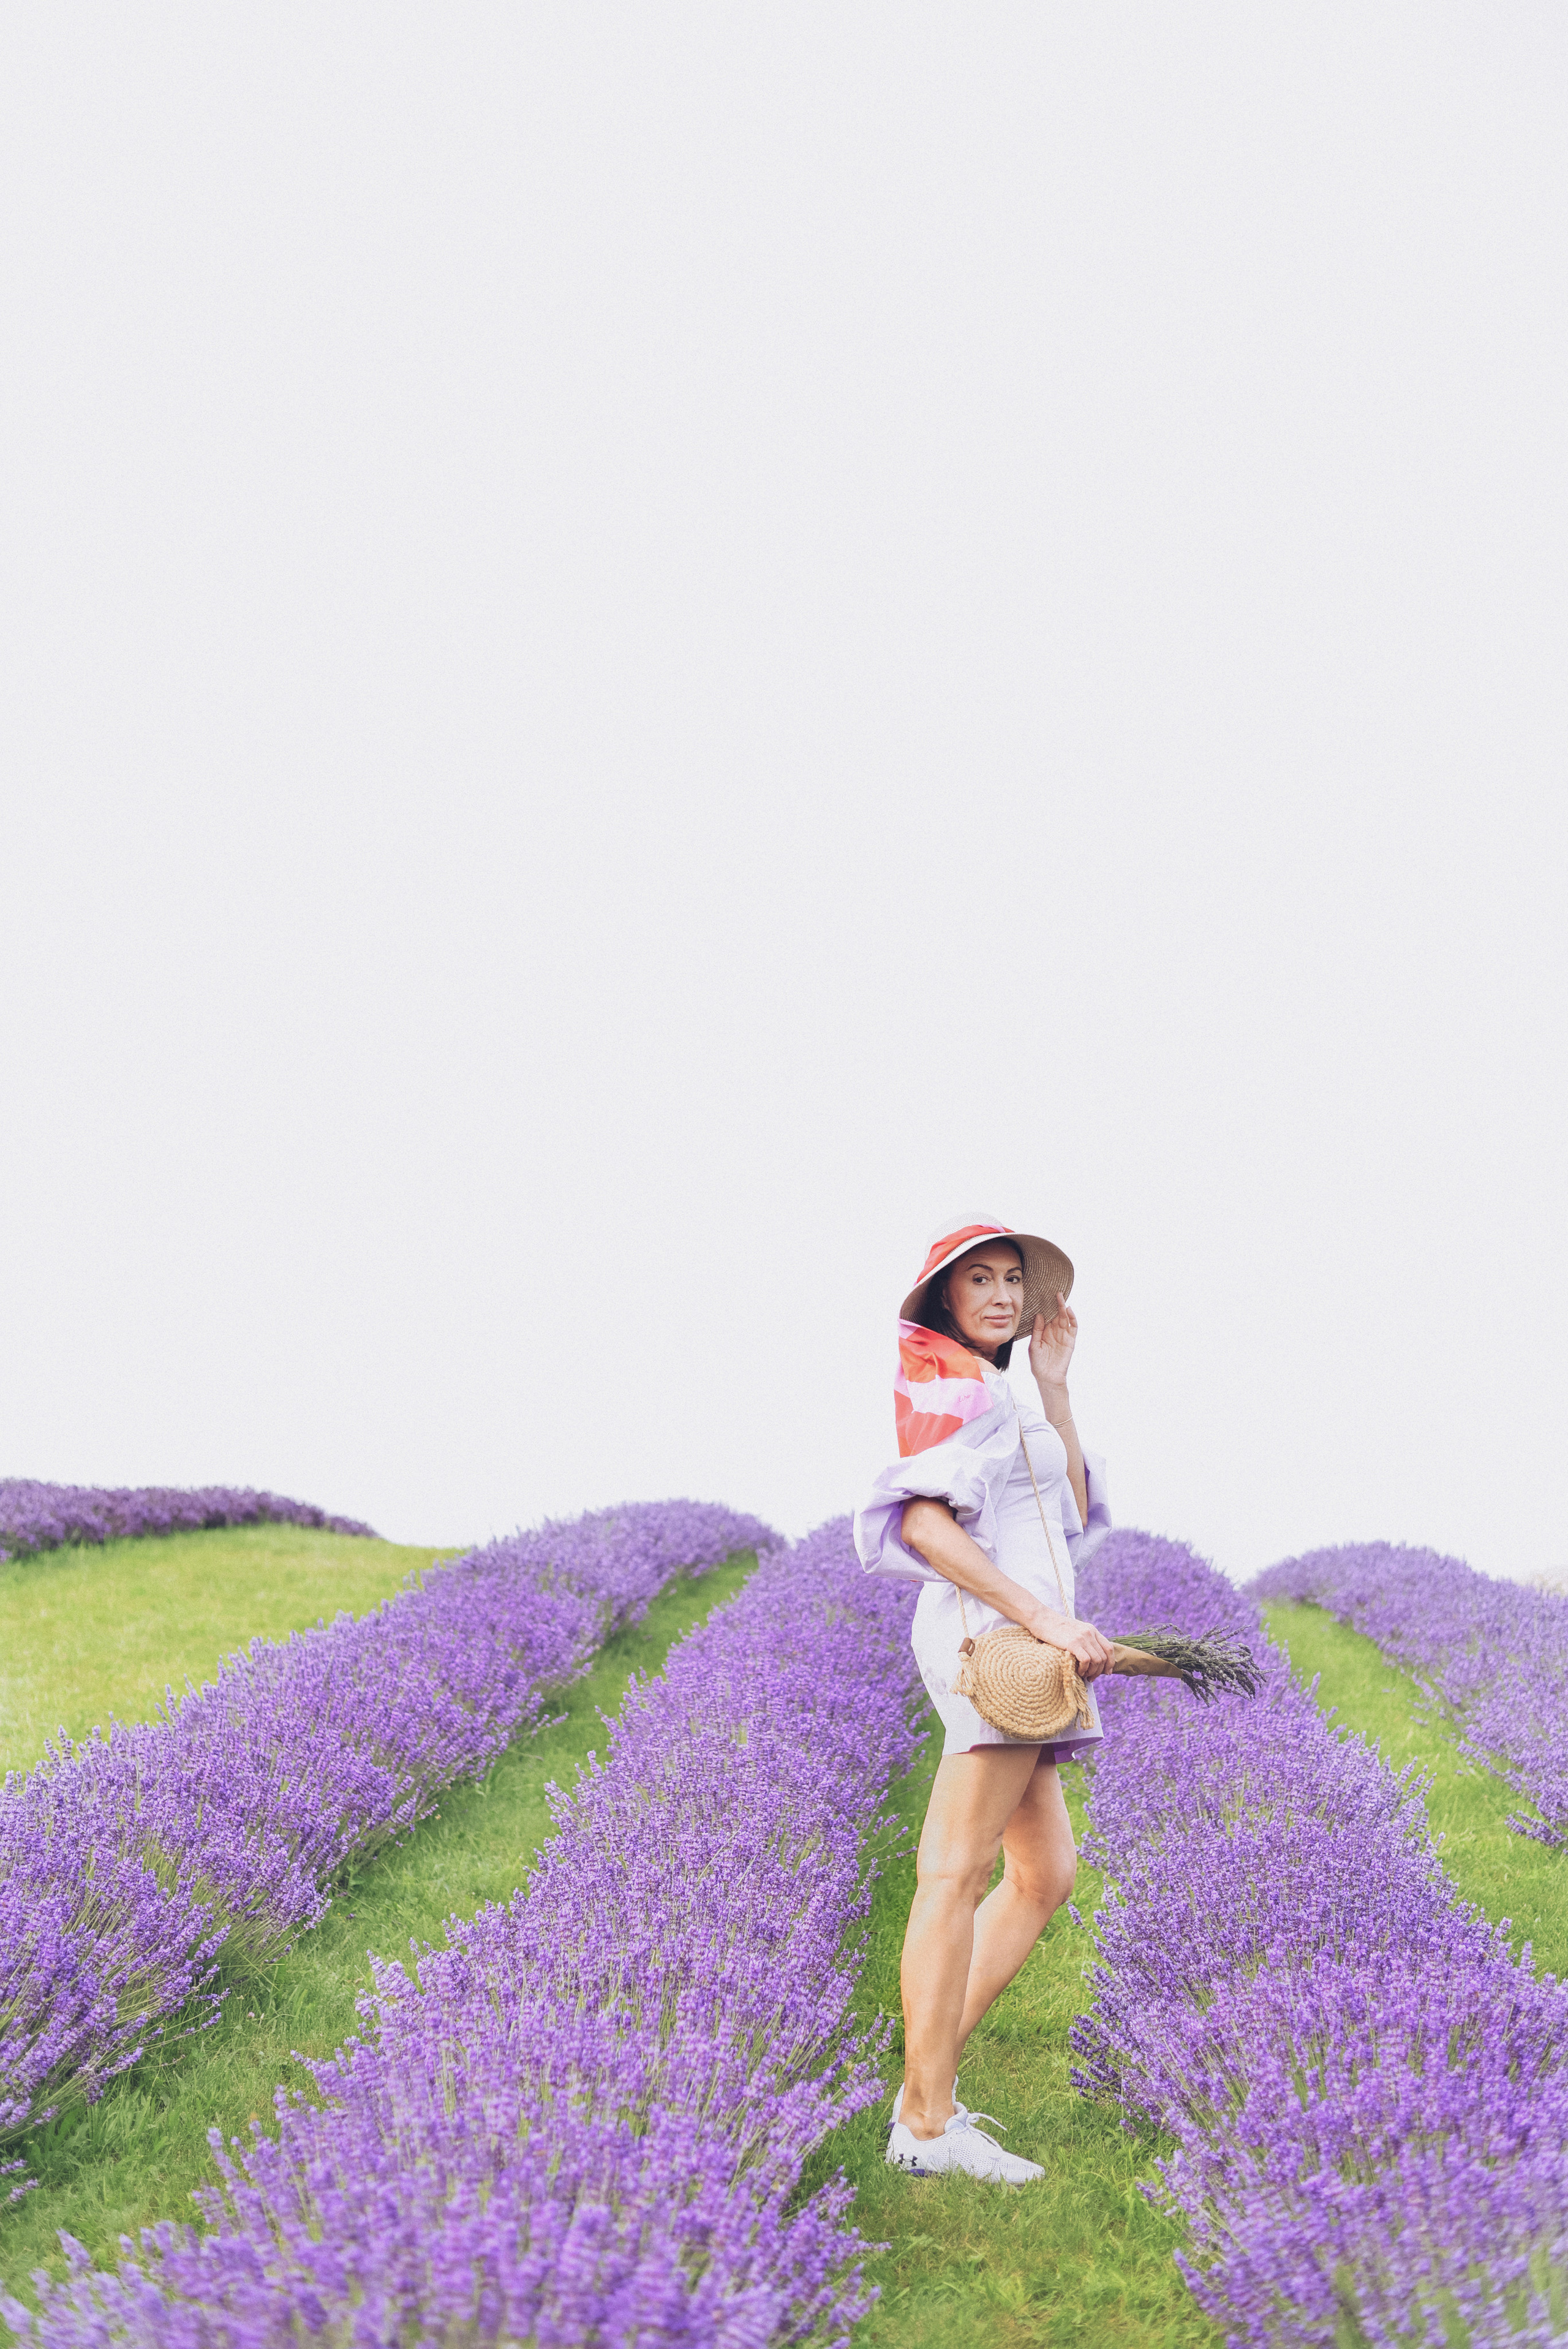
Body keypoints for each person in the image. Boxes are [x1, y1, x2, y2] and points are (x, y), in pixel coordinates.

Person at [854, 1214, 1114, 2185]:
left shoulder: (1003, 1387)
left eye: (1015, 1280)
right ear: (947, 1301)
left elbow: (1072, 1511)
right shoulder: (950, 1386)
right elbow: (923, 1523)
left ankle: (925, 2079)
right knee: (954, 1874)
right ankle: (924, 2125)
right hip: (992, 1642)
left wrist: (1055, 1387)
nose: (1003, 1296)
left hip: (1027, 1643)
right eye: (982, 1283)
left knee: (1044, 1875)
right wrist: (1040, 1621)